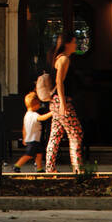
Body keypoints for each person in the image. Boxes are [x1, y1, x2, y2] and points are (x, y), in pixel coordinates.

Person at [45, 31, 84, 174]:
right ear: (67, 44)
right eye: (74, 42)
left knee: (55, 134)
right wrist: (62, 103)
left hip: (56, 102)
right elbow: (59, 81)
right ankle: (78, 168)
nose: (76, 45)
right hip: (61, 101)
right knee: (76, 133)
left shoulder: (59, 58)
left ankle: (50, 168)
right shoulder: (64, 60)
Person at [13, 91, 53, 171]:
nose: (39, 106)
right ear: (35, 105)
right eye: (38, 104)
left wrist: (24, 138)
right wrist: (52, 113)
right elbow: (42, 118)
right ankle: (17, 165)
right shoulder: (34, 115)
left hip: (32, 139)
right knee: (29, 155)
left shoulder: (27, 115)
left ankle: (39, 168)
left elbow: (24, 128)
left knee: (39, 154)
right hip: (33, 140)